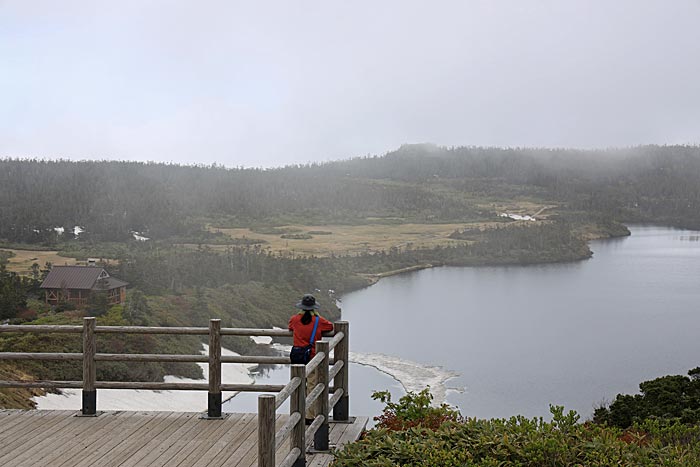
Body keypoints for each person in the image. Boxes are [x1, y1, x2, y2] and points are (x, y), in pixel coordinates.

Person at [288, 293, 334, 424]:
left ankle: (296, 412)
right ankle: (309, 415)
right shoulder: (318, 321)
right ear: (314, 308)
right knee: (312, 385)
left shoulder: (295, 319)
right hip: (312, 356)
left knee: (297, 383)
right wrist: (317, 317)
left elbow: (290, 327)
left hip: (297, 357)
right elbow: (330, 326)